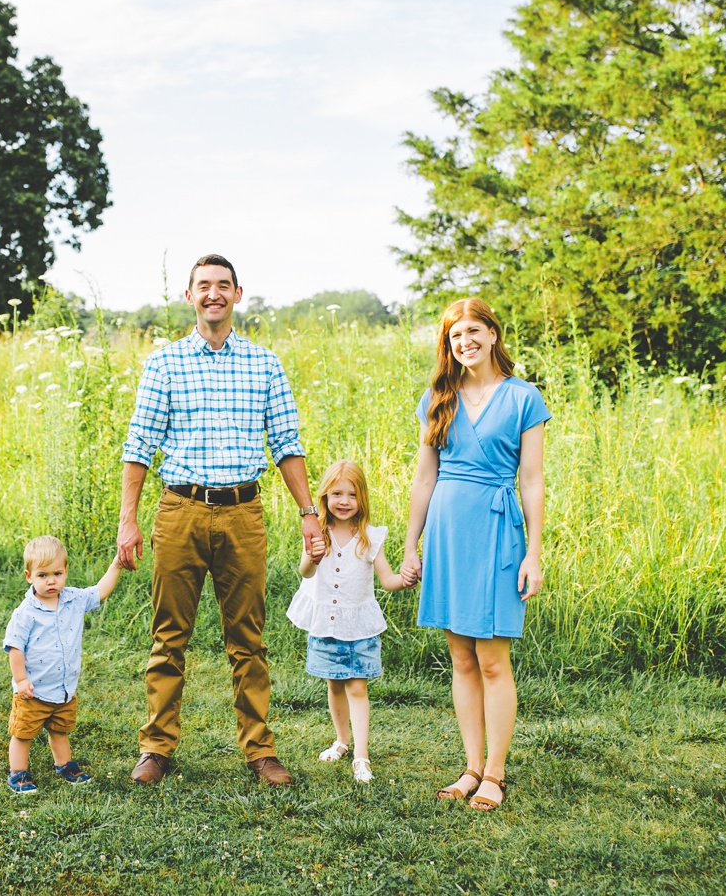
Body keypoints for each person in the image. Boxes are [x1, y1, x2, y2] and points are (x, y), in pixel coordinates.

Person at [117, 254, 325, 788]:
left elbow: (287, 443)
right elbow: (139, 444)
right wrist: (128, 520)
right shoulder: (164, 364)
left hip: (242, 514)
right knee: (168, 637)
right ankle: (156, 748)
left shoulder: (264, 364)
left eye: (222, 285)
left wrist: (308, 513)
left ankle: (260, 751)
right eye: (203, 285)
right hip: (179, 511)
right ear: (190, 296)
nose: (213, 293)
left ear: (237, 294)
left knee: (248, 640)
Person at [398, 297, 550, 812]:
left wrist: (533, 552)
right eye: (455, 335)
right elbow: (425, 478)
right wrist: (410, 544)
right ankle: (470, 767)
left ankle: (496, 773)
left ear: (491, 333)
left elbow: (531, 480)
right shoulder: (437, 398)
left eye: (473, 331)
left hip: (496, 530)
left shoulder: (524, 398)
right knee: (461, 658)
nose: (465, 342)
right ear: (449, 343)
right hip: (446, 530)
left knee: (491, 659)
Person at [285, 459, 413, 783]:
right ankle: (341, 741)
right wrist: (311, 557)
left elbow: (387, 580)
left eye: (352, 495)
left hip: (359, 624)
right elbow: (306, 571)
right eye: (337, 493)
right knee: (334, 683)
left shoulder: (370, 537)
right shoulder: (318, 533)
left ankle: (361, 756)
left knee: (357, 686)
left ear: (362, 499)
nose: (344, 501)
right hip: (326, 621)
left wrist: (408, 577)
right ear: (325, 496)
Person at [2, 535, 128, 794]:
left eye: (57, 573)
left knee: (60, 730)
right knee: (23, 733)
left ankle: (64, 765)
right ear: (29, 576)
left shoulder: (74, 600)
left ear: (66, 571)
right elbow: (15, 648)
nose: (51, 581)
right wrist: (21, 680)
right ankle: (18, 773)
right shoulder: (25, 613)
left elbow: (100, 591)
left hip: (64, 689)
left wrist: (116, 564)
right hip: (33, 691)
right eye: (43, 575)